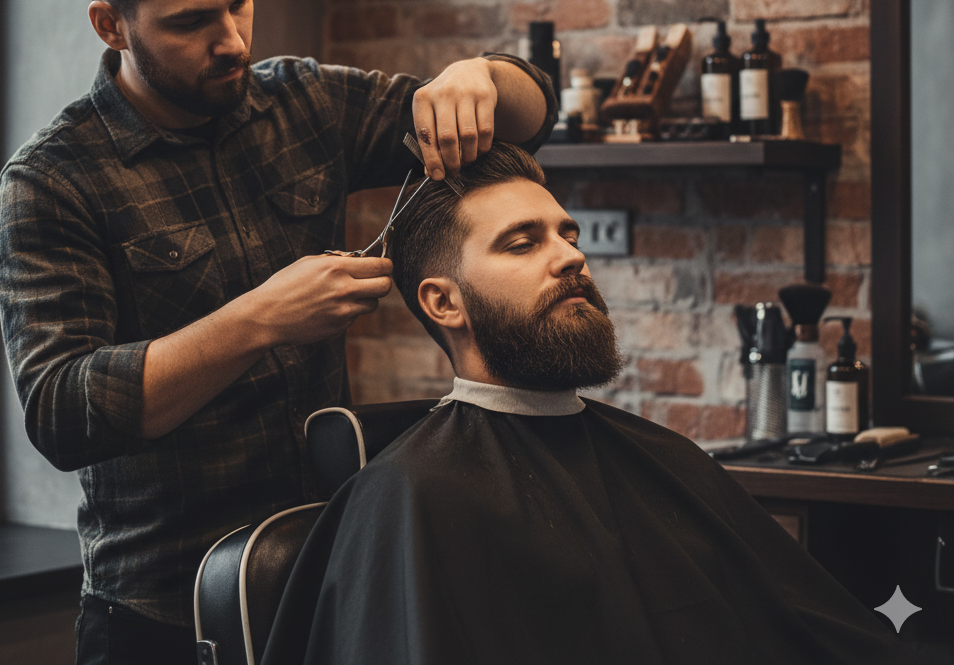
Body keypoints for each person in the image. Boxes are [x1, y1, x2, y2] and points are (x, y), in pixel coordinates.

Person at [0, 0, 556, 664]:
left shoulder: (307, 103)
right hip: (162, 613)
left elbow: (530, 118)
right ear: (111, 25)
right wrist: (258, 321)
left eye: (240, 0)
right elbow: (62, 411)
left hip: (325, 573)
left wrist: (480, 77)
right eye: (191, 21)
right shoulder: (54, 181)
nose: (233, 40)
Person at [261, 144, 912, 665]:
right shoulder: (408, 497)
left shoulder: (663, 456)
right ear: (443, 302)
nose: (571, 255)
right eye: (523, 243)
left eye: (567, 234)